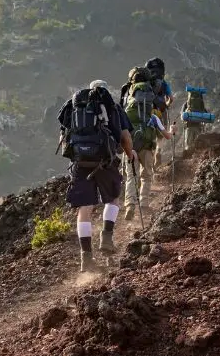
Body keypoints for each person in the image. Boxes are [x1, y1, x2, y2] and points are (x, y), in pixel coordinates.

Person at [58, 80, 134, 271]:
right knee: (113, 199)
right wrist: (130, 154)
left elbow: (63, 138)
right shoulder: (112, 107)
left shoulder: (74, 108)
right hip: (105, 161)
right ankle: (106, 237)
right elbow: (125, 137)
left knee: (84, 209)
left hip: (80, 163)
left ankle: (86, 258)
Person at [122, 69, 177, 220]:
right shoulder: (153, 116)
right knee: (146, 176)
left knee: (131, 177)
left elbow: (121, 131)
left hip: (130, 148)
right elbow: (166, 136)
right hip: (147, 147)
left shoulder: (126, 113)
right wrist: (172, 130)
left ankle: (130, 204)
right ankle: (144, 203)